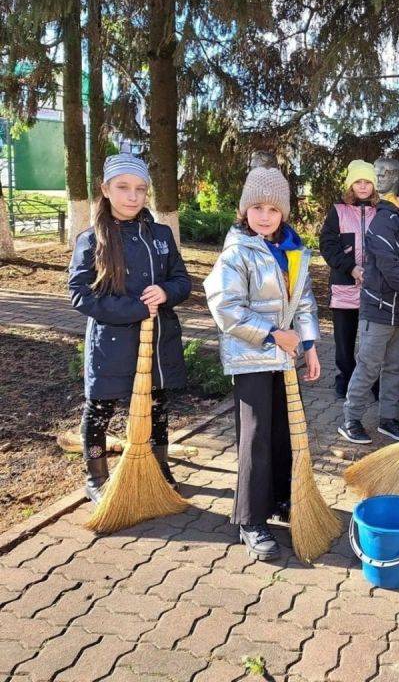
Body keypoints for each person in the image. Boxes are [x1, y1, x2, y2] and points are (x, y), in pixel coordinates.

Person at [204, 166, 320, 561]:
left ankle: (280, 499)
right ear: (244, 210)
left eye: (274, 208)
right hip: (251, 356)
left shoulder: (293, 249)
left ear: (284, 212)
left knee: (282, 430)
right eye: (257, 207)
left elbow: (304, 302)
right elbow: (226, 309)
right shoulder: (236, 252)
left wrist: (310, 346)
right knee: (255, 438)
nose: (265, 215)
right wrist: (272, 335)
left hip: (285, 356)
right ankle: (250, 519)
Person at [68, 154, 191, 504]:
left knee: (157, 406)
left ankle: (159, 467)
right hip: (112, 344)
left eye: (140, 189)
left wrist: (167, 291)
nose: (133, 196)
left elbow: (182, 280)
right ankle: (96, 476)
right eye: (123, 187)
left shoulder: (162, 234)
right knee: (101, 408)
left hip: (158, 342)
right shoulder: (91, 240)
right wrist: (134, 308)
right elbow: (79, 295)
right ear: (106, 190)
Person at [339, 167, 399, 444]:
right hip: (379, 310)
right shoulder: (384, 221)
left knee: (395, 368)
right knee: (368, 367)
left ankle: (388, 418)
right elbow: (389, 266)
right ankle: (351, 420)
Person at [320, 160, 380, 399]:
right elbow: (327, 245)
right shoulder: (338, 211)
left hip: (375, 289)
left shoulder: (383, 211)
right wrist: (351, 267)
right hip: (345, 286)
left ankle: (376, 384)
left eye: (367, 182)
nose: (363, 187)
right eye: (358, 182)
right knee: (344, 342)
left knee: (374, 343)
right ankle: (345, 379)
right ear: (351, 185)